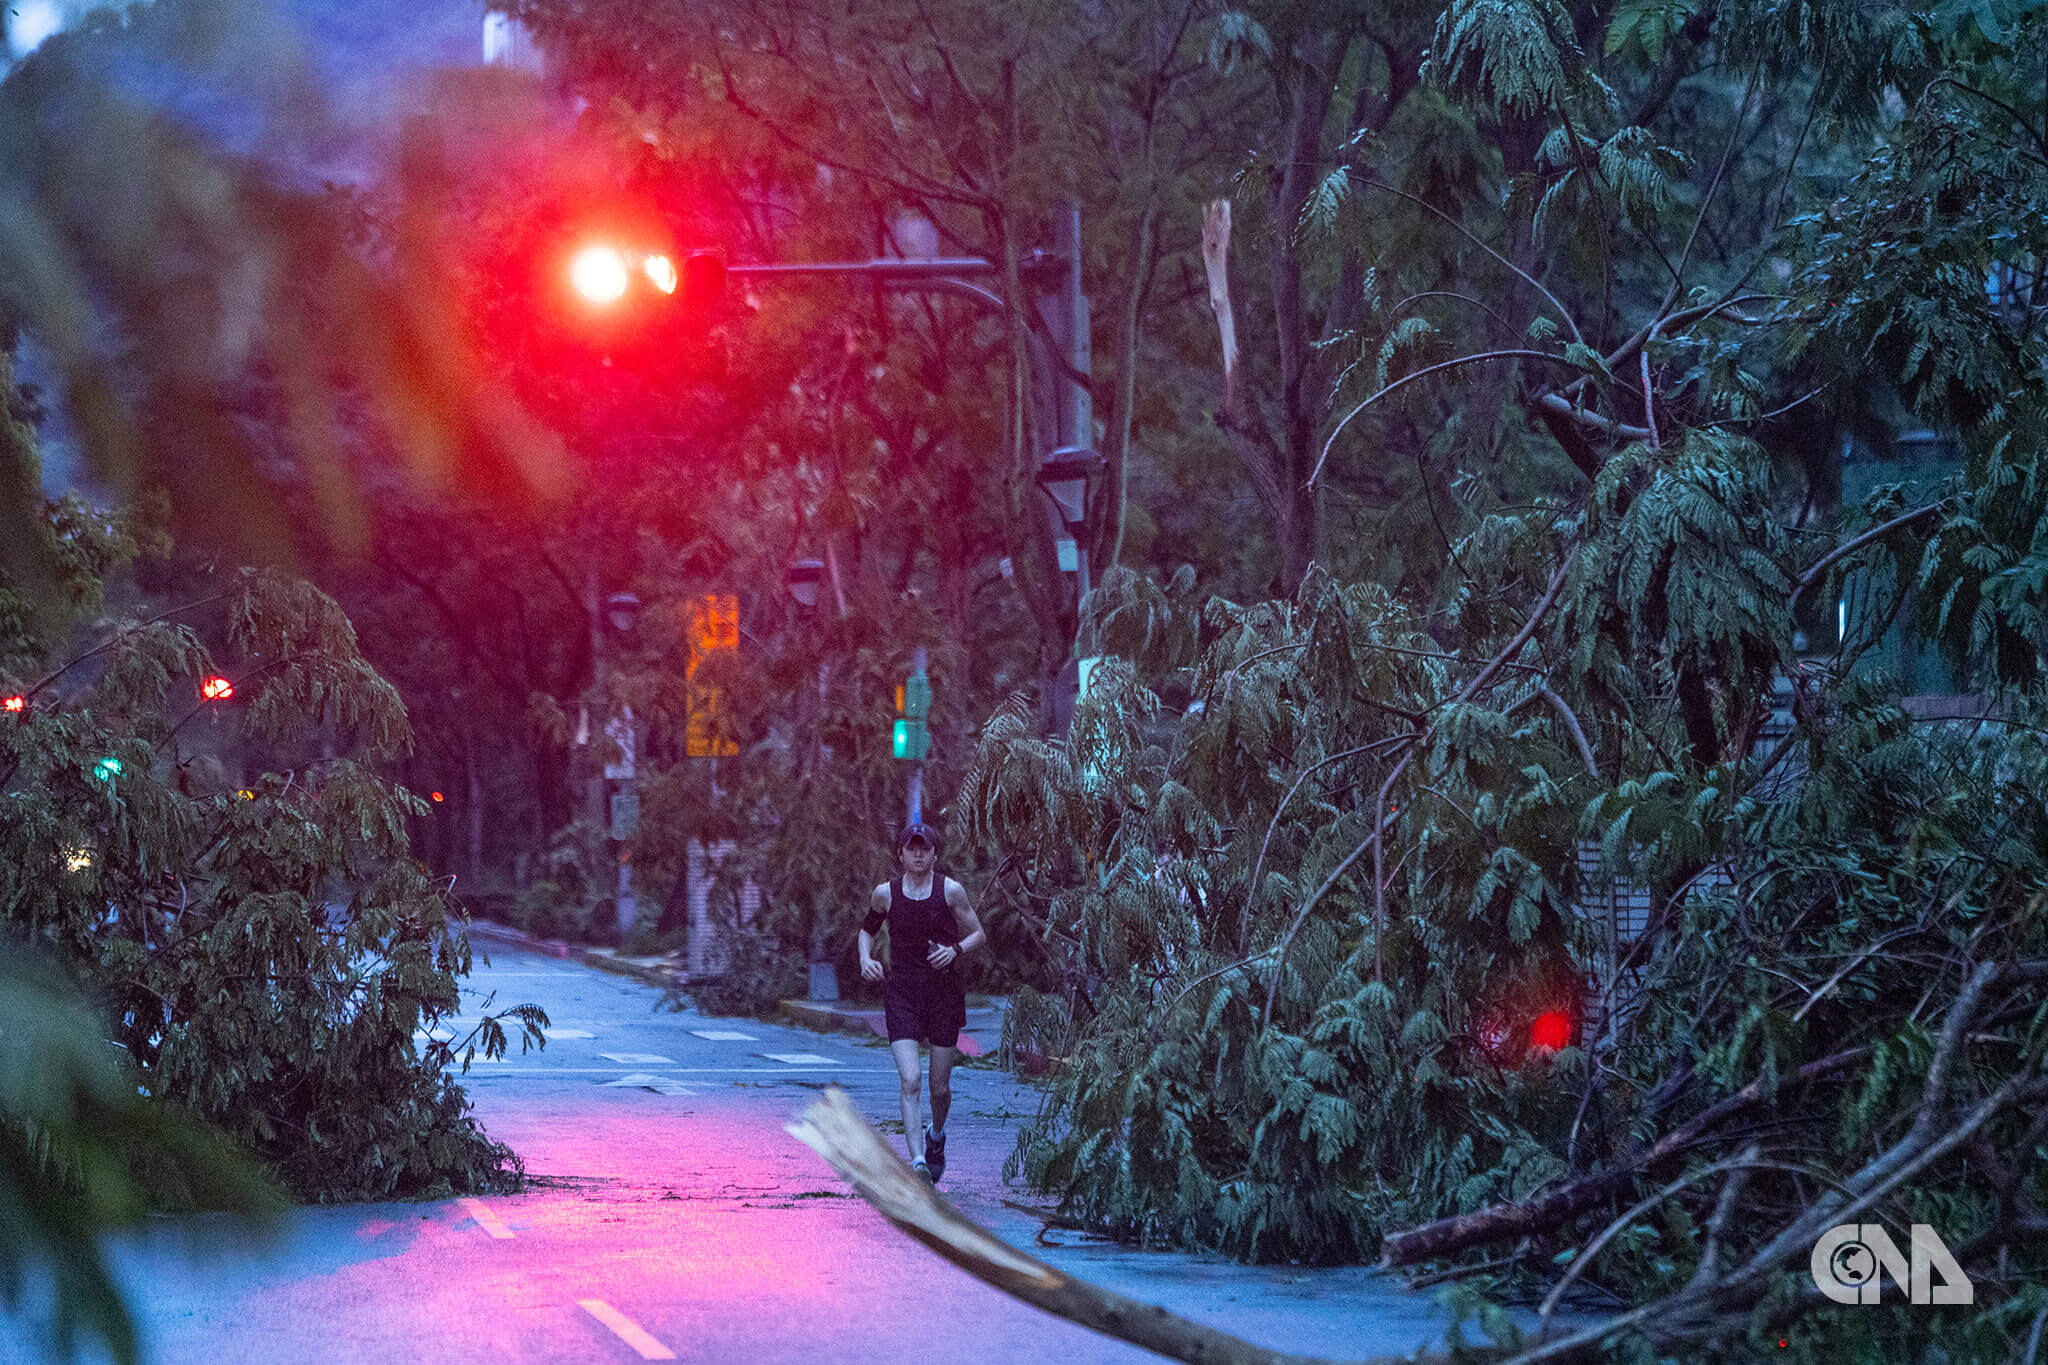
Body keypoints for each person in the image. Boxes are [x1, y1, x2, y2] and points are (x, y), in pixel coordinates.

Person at [859, 821, 985, 1185]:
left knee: (939, 1088)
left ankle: (936, 1136)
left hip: (943, 993)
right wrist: (866, 959)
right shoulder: (886, 894)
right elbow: (867, 931)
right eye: (911, 848)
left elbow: (979, 933)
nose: (917, 854)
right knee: (910, 1079)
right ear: (900, 854)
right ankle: (917, 1162)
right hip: (902, 992)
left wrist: (955, 950)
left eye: (924, 848)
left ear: (934, 854)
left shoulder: (951, 892)